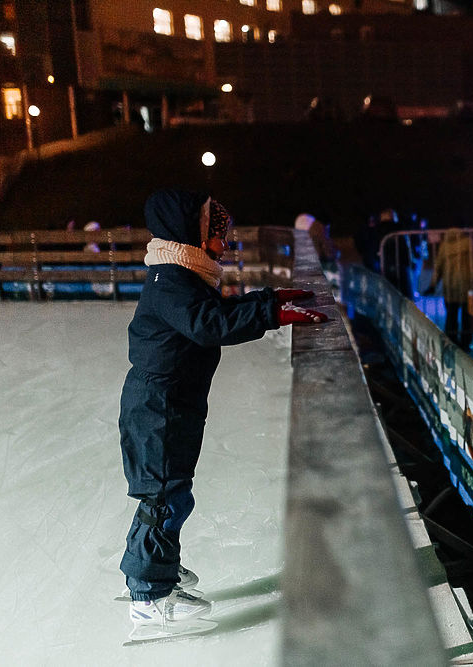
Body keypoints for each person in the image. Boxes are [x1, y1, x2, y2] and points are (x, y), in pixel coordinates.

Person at [119, 189, 328, 635]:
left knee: (167, 493)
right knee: (163, 498)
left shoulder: (180, 273)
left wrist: (271, 299)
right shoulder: (171, 280)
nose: (226, 244)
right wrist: (274, 314)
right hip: (160, 406)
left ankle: (152, 569)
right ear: (189, 233)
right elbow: (209, 324)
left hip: (169, 403)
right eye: (219, 235)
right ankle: (148, 597)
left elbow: (213, 310)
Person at [426, 228, 473, 350]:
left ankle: (451, 342)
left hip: (450, 286)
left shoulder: (444, 245)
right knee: (467, 318)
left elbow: (438, 266)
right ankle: (466, 343)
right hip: (467, 285)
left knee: (451, 316)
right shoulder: (468, 242)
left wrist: (433, 285)